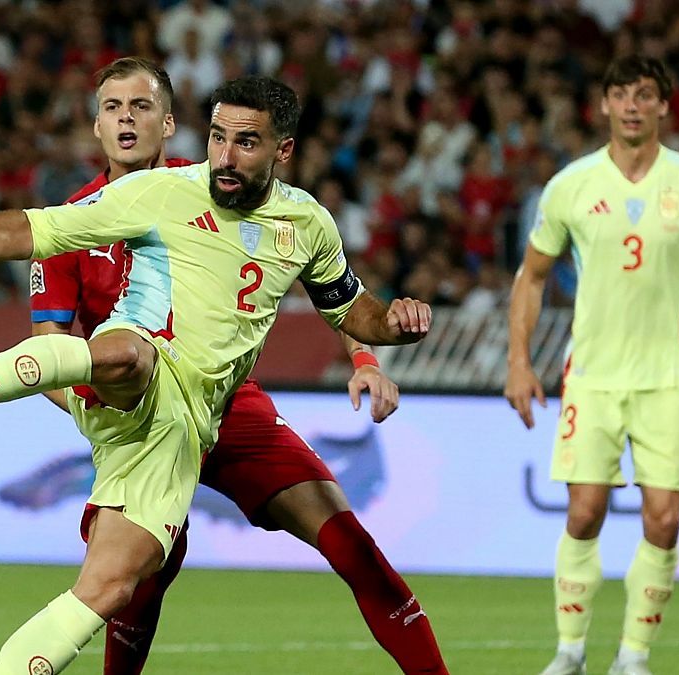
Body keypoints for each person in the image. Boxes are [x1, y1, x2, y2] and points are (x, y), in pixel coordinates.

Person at [0, 76, 435, 674]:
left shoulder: (306, 223)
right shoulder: (151, 194)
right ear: (97, 123)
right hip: (125, 391)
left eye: (245, 143)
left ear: (281, 150)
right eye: (219, 139)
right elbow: (30, 237)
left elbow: (353, 309)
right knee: (129, 355)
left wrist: (386, 331)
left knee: (113, 587)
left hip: (214, 414)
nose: (225, 157)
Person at [28, 56, 446, 674]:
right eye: (112, 108)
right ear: (95, 125)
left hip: (229, 406)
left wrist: (364, 356)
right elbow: (47, 349)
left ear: (169, 124)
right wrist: (104, 413)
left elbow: (316, 278)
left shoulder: (215, 189)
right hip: (141, 422)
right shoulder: (71, 223)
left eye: (140, 107)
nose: (126, 120)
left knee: (349, 540)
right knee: (139, 580)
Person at [505, 56, 679, 675]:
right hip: (593, 376)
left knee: (664, 520)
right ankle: (571, 651)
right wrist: (519, 362)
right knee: (584, 512)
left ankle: (632, 657)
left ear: (664, 106)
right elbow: (529, 278)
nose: (632, 105)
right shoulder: (571, 186)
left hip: (670, 377)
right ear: (603, 105)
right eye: (620, 94)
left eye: (644, 95)